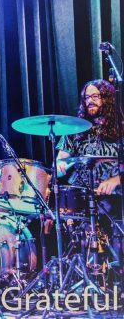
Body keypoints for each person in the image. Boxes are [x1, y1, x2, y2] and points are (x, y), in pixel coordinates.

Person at [56, 79, 123, 267]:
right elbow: (60, 161)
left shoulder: (121, 128)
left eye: (95, 96)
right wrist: (60, 166)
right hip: (82, 196)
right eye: (86, 98)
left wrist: (116, 179)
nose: (90, 101)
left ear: (107, 99)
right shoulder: (75, 129)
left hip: (116, 197)